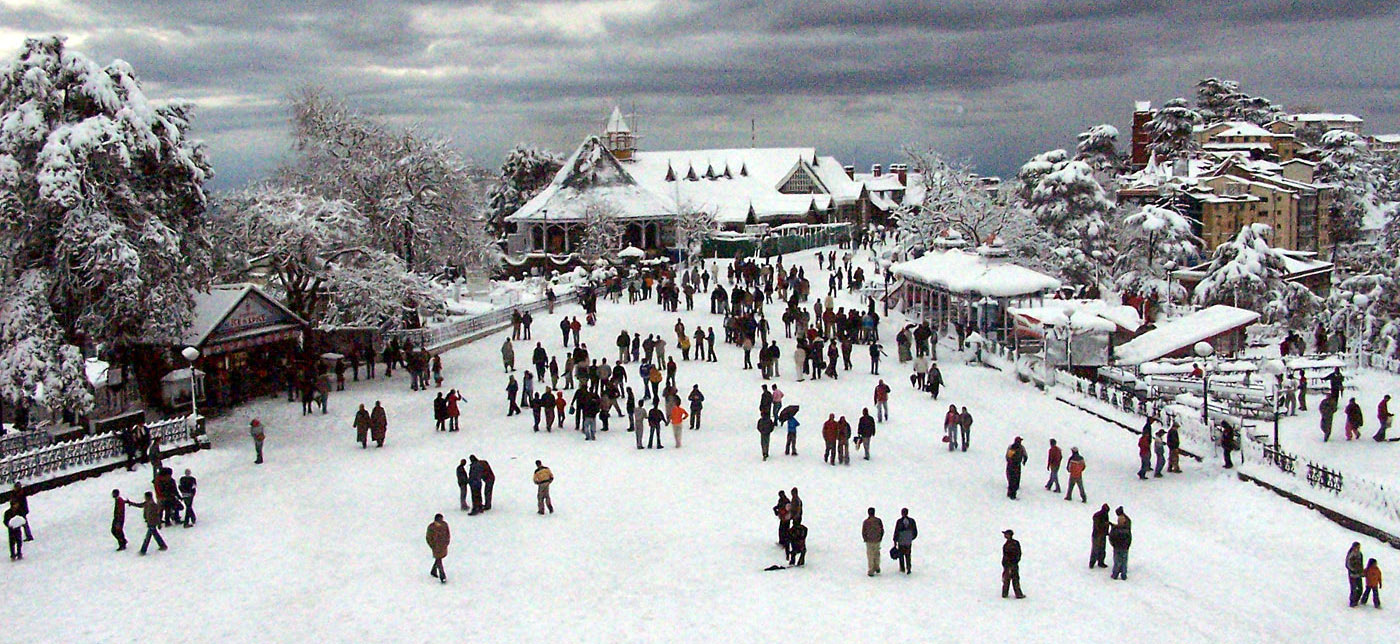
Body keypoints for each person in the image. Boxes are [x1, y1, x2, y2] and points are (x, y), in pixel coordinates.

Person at [1109, 507, 1132, 580]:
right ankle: (1124, 574)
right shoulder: (1126, 527)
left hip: (1117, 547)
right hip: (1125, 547)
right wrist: (1127, 546)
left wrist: (1113, 545)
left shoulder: (1115, 530)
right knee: (1124, 561)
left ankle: (1115, 574)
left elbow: (1111, 537)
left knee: (1117, 561)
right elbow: (1129, 538)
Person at [426, 514, 450, 584]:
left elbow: (448, 534)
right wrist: (432, 546)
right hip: (436, 546)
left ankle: (433, 570)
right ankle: (442, 576)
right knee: (439, 560)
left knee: (439, 558)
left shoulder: (445, 525)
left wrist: (446, 542)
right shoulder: (431, 527)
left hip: (443, 545)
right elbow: (428, 538)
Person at [1001, 529, 1025, 599]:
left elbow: (1017, 554)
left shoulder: (1013, 544)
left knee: (1013, 579)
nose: (1004, 535)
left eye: (1006, 534)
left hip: (1011, 564)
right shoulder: (1007, 544)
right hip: (1008, 565)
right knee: (1008, 579)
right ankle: (1006, 593)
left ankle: (1017, 594)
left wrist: (1013, 563)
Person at [893, 508, 917, 574]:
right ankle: (908, 567)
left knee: (901, 554)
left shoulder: (899, 521)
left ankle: (902, 568)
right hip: (908, 541)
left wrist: (895, 540)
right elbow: (915, 531)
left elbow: (896, 531)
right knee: (908, 554)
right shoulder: (912, 521)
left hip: (901, 540)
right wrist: (911, 538)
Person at [862, 508, 884, 576]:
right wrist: (880, 537)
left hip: (869, 540)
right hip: (877, 540)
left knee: (870, 555)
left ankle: (871, 569)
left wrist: (865, 538)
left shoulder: (866, 522)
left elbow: (864, 531)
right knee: (877, 553)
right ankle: (877, 566)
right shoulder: (878, 520)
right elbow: (882, 529)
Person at [1090, 503, 1111, 569]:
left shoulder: (1105, 515)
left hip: (1102, 534)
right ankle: (1092, 562)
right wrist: (1105, 525)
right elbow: (1097, 526)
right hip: (1097, 535)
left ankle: (1101, 561)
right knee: (1095, 549)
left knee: (1102, 549)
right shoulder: (1097, 516)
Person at [1347, 542, 1366, 607]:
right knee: (1353, 588)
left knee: (1360, 588)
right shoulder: (1351, 555)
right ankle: (1352, 601)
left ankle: (1356, 600)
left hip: (1358, 574)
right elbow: (1347, 564)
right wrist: (1353, 570)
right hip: (1352, 574)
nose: (1357, 549)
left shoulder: (1360, 554)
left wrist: (1362, 571)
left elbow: (1361, 564)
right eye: (1356, 547)